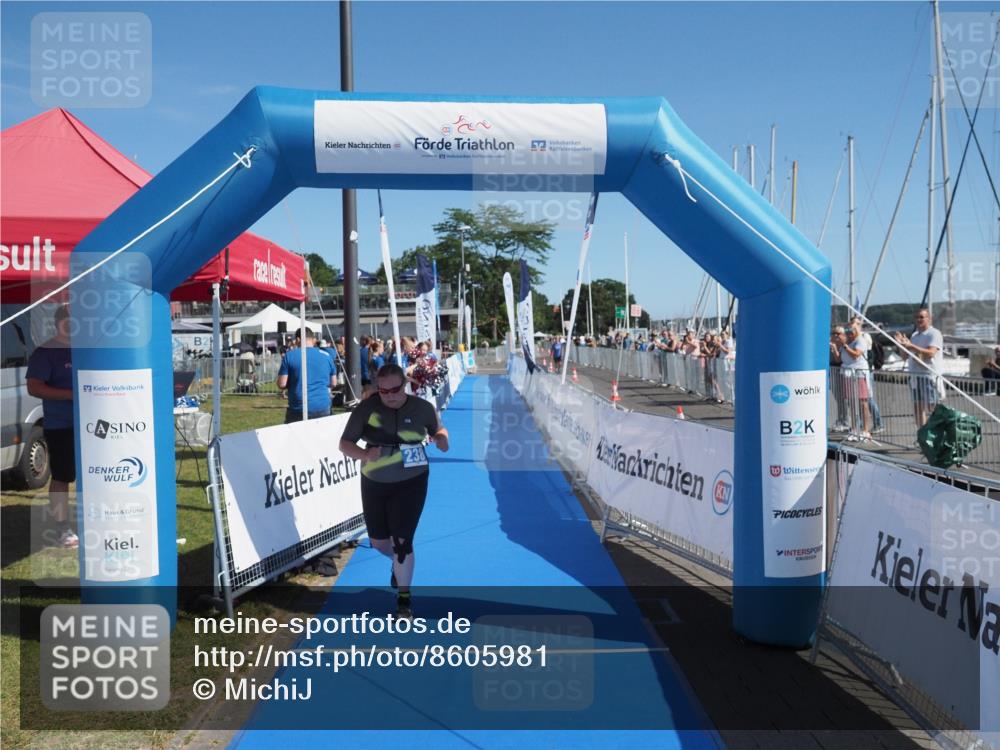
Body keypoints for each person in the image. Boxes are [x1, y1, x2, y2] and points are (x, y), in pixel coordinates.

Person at [339, 363, 450, 617]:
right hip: (374, 481)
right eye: (382, 390)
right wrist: (365, 453)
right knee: (379, 543)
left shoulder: (422, 408)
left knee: (402, 541)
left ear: (405, 385)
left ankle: (403, 600)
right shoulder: (367, 408)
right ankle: (399, 566)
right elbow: (344, 443)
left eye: (394, 389)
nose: (388, 395)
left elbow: (439, 430)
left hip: (412, 480)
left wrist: (443, 439)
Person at [25, 305, 78, 548]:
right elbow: (34, 387)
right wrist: (68, 394)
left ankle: (99, 520)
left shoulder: (87, 349)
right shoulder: (46, 352)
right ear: (60, 323)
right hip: (61, 425)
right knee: (62, 476)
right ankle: (62, 528)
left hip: (94, 424)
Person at [894, 308, 944, 429]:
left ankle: (936, 435)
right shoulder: (915, 335)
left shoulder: (934, 333)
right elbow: (904, 356)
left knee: (932, 408)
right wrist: (901, 345)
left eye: (922, 317)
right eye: (917, 317)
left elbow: (931, 353)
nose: (919, 320)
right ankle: (922, 435)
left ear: (929, 318)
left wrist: (911, 346)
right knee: (918, 408)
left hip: (929, 376)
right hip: (915, 377)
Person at [276, 328, 337, 423]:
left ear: (298, 340)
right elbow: (333, 383)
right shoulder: (327, 355)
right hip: (323, 406)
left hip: (298, 407)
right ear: (313, 339)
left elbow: (282, 384)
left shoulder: (290, 355)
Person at [833, 322, 873, 441]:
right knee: (851, 402)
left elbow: (856, 355)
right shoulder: (846, 342)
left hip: (859, 374)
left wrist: (845, 346)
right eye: (848, 331)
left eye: (851, 331)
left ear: (856, 331)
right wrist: (835, 348)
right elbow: (839, 359)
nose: (849, 333)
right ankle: (855, 429)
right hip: (847, 373)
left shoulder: (860, 340)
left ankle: (865, 430)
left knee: (862, 402)